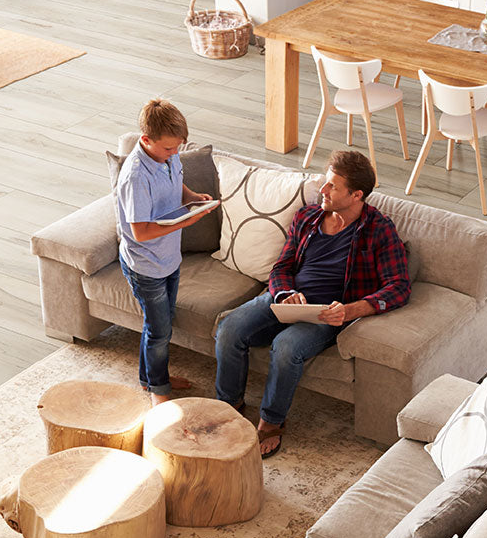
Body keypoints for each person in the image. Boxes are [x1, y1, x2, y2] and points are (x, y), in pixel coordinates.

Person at [214, 150, 410, 458]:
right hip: (285, 299)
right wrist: (283, 293)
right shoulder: (308, 217)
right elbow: (281, 267)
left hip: (324, 314)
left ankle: (271, 422)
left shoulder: (379, 230)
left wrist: (350, 310)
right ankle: (229, 405)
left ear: (356, 194)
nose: (323, 190)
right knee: (229, 328)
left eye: (333, 186)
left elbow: (398, 287)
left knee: (287, 347)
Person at [115, 99, 216, 405]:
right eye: (169, 149)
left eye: (178, 148)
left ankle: (151, 378)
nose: (175, 154)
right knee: (158, 331)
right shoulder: (136, 177)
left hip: (169, 258)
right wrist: (188, 219)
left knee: (161, 324)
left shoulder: (169, 157)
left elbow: (178, 180)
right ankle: (159, 391)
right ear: (146, 140)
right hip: (146, 264)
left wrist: (192, 197)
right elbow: (140, 232)